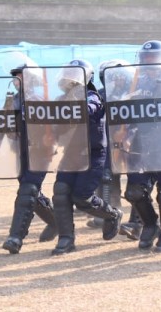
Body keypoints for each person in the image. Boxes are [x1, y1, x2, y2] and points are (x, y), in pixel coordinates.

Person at [50, 59, 123, 255]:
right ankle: (66, 239)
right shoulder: (60, 99)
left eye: (73, 75)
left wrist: (70, 107)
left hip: (92, 154)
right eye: (67, 74)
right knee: (60, 192)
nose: (69, 79)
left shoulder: (93, 97)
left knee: (81, 197)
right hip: (70, 153)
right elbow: (54, 125)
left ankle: (112, 214)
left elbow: (88, 109)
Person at [122, 40, 161, 252]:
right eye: (145, 58)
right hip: (140, 142)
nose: (149, 63)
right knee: (134, 191)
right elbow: (125, 111)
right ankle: (150, 224)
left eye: (153, 58)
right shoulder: (135, 85)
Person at [1, 56, 58, 254]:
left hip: (39, 153)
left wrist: (50, 138)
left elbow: (54, 126)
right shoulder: (13, 100)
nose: (16, 81)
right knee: (31, 191)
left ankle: (15, 237)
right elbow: (6, 126)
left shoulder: (39, 100)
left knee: (28, 190)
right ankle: (56, 221)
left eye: (20, 77)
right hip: (20, 153)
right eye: (15, 77)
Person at [86, 60, 130, 230]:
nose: (117, 80)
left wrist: (129, 135)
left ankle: (138, 219)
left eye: (120, 76)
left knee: (138, 182)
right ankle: (107, 213)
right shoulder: (100, 95)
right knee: (105, 177)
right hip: (108, 141)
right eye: (113, 76)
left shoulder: (134, 93)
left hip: (132, 141)